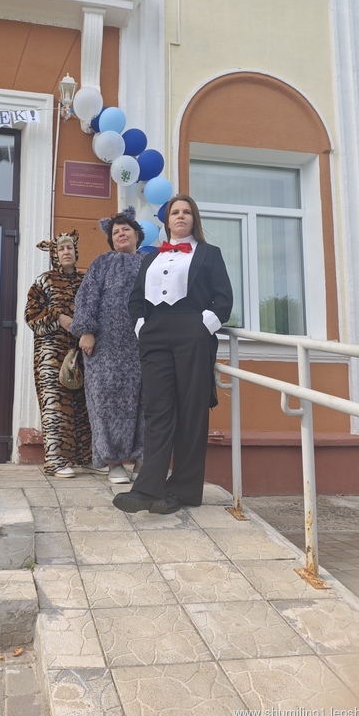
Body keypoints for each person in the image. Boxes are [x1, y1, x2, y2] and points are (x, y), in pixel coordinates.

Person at [113, 195, 233, 514]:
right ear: (166, 221)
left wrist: (203, 326)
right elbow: (136, 299)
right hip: (155, 335)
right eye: (174, 212)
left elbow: (223, 298)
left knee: (192, 411)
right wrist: (141, 326)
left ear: (194, 219)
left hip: (192, 332)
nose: (180, 216)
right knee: (158, 411)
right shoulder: (151, 258)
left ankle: (183, 491)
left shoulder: (209, 254)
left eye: (186, 212)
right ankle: (147, 488)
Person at [70, 207, 145, 484]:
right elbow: (86, 297)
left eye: (126, 229)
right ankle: (113, 462)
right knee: (105, 402)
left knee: (145, 402)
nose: (121, 234)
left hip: (142, 345)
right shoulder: (102, 263)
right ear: (111, 240)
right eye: (115, 232)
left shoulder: (150, 262)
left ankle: (143, 461)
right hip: (105, 348)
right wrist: (86, 331)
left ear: (137, 234)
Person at [25, 231, 106, 478]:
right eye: (61, 249)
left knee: (85, 406)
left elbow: (99, 311)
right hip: (52, 353)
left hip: (84, 351)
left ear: (75, 251)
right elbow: (31, 315)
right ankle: (55, 460)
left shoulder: (87, 281)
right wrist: (58, 317)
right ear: (54, 254)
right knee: (55, 406)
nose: (66, 252)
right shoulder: (44, 281)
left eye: (69, 247)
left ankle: (87, 457)